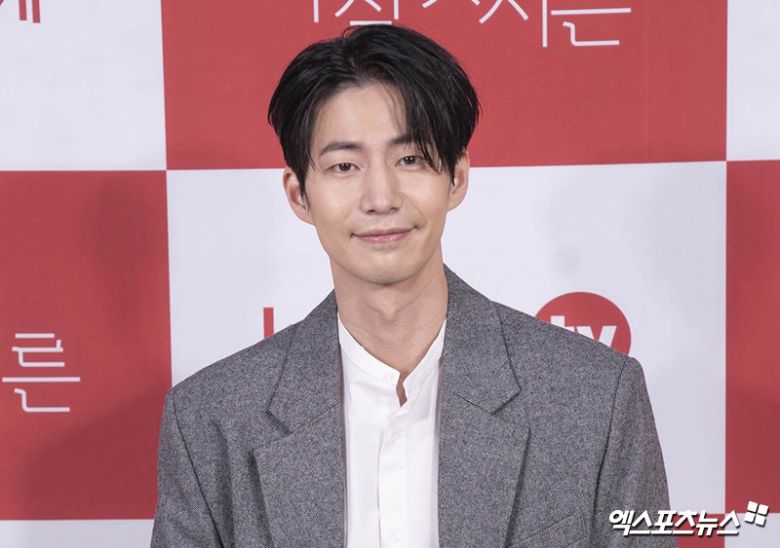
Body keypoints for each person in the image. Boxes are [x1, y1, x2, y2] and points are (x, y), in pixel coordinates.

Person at [150, 25, 674, 548]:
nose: (381, 198)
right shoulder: (210, 421)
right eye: (344, 166)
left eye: (410, 160)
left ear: (457, 177)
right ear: (299, 195)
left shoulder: (596, 398)